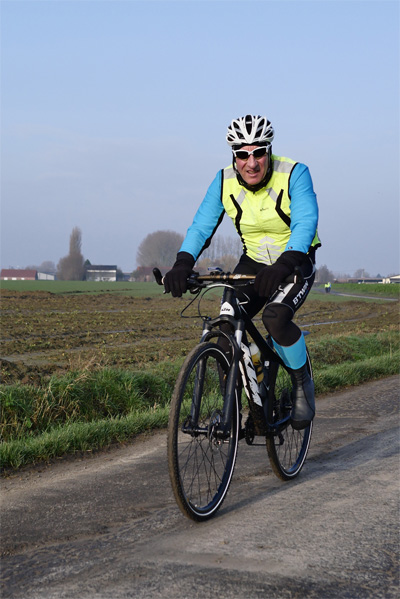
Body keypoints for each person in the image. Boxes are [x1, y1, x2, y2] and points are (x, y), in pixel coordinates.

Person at [164, 114, 321, 430]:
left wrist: (283, 264)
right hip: (253, 263)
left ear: (268, 151)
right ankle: (236, 408)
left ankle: (301, 381)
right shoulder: (223, 181)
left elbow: (305, 222)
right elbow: (201, 226)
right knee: (225, 328)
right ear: (234, 156)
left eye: (258, 152)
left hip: (294, 261)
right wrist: (182, 263)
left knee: (275, 318)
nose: (251, 163)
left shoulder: (294, 173)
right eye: (242, 154)